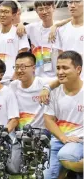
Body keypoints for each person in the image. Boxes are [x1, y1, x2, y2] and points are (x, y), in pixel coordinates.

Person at [44, 51, 83, 179]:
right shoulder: (53, 92)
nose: (60, 72)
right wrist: (63, 138)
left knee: (66, 155)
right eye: (58, 68)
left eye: (65, 68)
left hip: (80, 141)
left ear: (78, 69)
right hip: (59, 140)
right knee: (46, 176)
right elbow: (48, 120)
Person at [10, 52, 59, 130]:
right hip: (20, 132)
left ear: (33, 68)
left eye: (23, 67)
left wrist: (47, 88)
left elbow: (62, 80)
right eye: (16, 67)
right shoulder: (13, 85)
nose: (19, 70)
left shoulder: (42, 83)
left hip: (41, 132)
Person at [0, 1, 29, 84]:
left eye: (6, 12)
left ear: (13, 15)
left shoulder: (19, 33)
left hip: (14, 80)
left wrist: (14, 78)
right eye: (1, 11)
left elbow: (23, 59)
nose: (3, 15)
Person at [53, 0, 83, 78]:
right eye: (70, 2)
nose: (72, 5)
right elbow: (60, 57)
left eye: (77, 1)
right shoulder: (61, 29)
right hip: (69, 80)